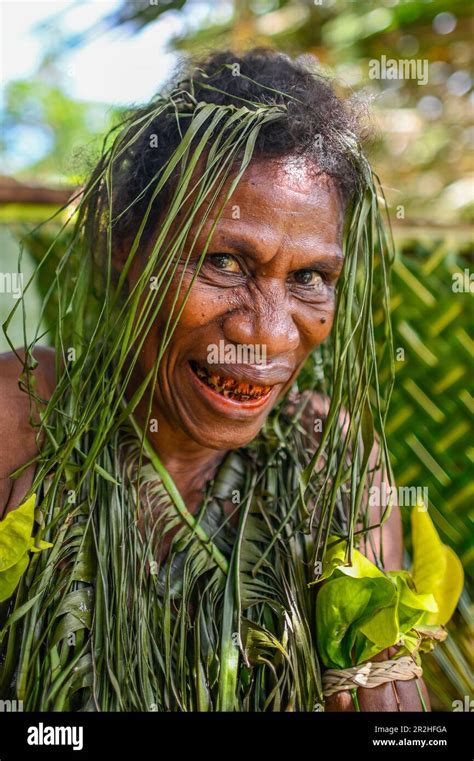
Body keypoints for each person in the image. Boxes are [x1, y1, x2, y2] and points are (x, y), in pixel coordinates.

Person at [0, 49, 430, 711]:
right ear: (123, 253)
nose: (272, 335)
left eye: (310, 278)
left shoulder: (329, 458)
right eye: (225, 261)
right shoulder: (21, 419)